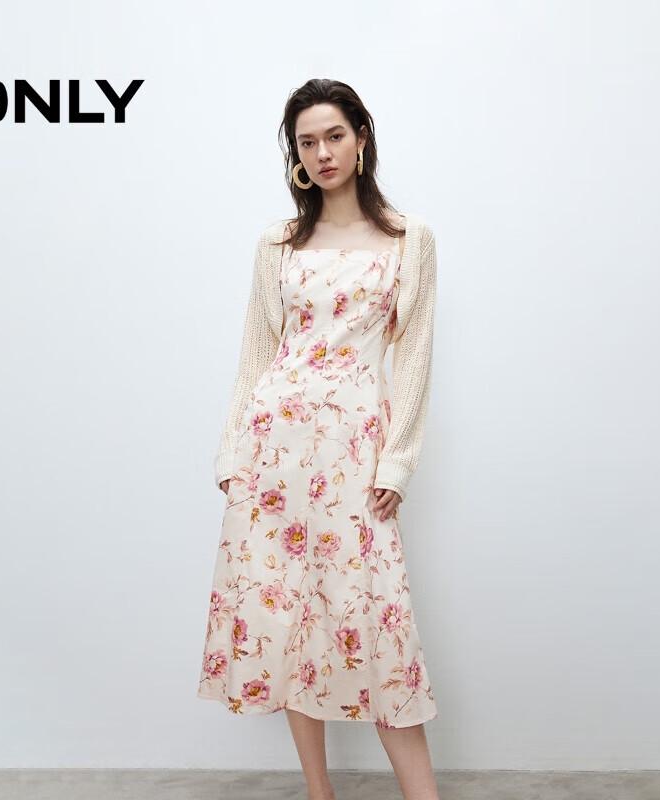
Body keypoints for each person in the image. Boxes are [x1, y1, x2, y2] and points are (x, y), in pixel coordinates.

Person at [197, 78, 440, 800]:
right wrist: (232, 452)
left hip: (355, 450)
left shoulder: (407, 239)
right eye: (307, 142)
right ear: (295, 154)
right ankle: (318, 792)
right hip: (273, 447)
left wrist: (397, 461)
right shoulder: (278, 243)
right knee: (286, 618)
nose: (323, 152)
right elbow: (256, 352)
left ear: (362, 138)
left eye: (335, 135)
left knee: (377, 621)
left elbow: (414, 356)